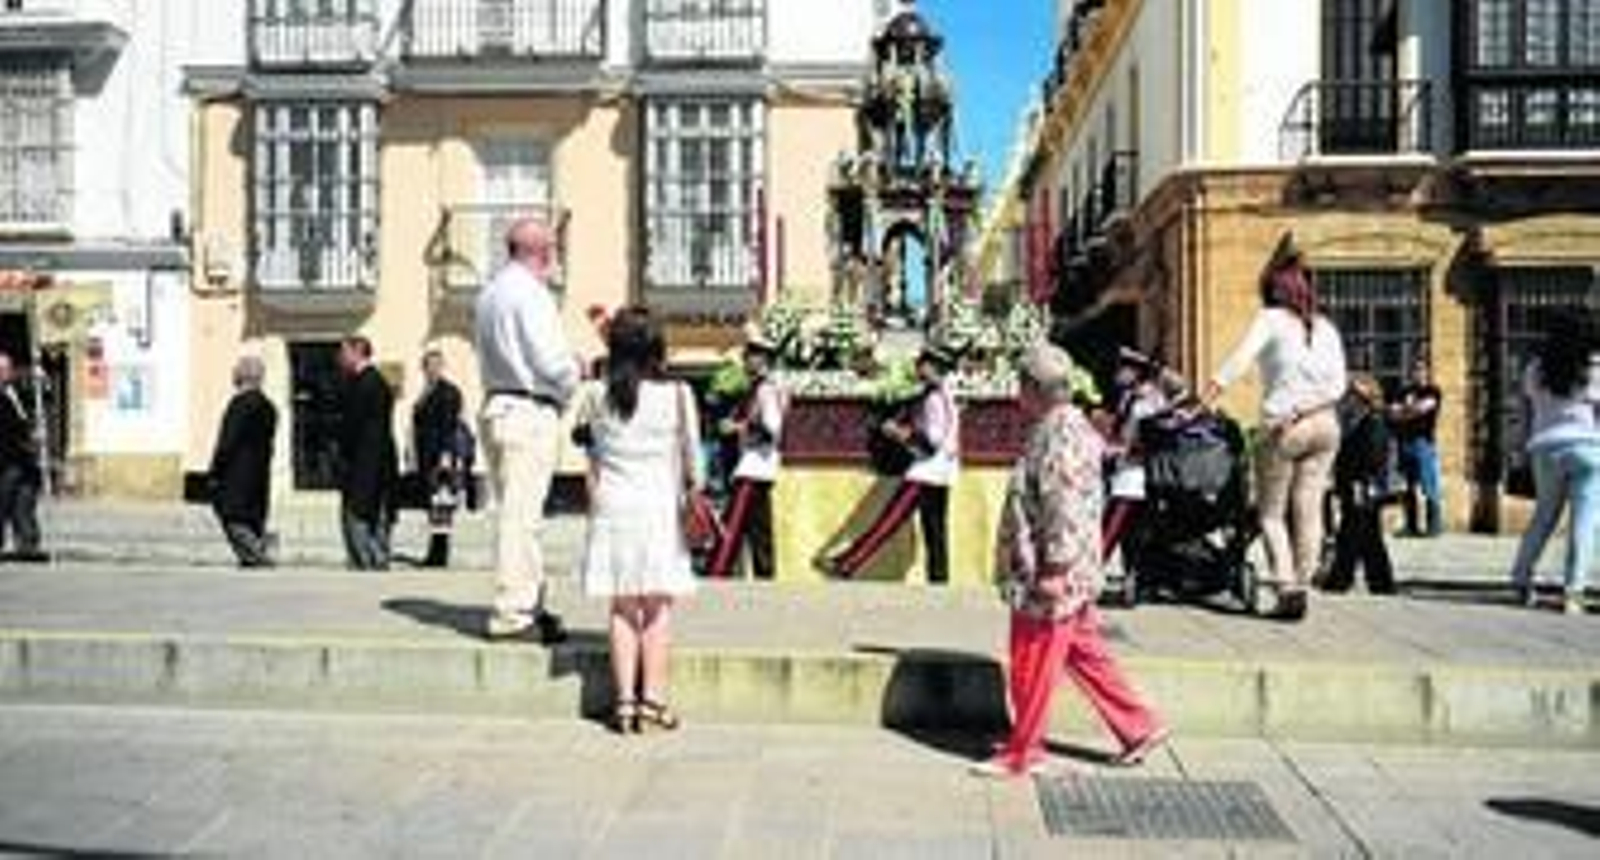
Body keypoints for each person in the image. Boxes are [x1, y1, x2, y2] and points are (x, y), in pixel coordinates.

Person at [975, 341, 1166, 778]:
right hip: (1070, 566)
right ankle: (1139, 725)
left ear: (1035, 388)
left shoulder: (1058, 435)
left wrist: (1054, 568)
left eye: (1021, 384)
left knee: (1033, 656)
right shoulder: (1071, 425)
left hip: (1052, 568)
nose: (1017, 394)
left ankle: (1025, 750)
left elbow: (1062, 504)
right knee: (1083, 653)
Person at [1202, 251, 1347, 621]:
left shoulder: (1270, 320)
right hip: (1327, 425)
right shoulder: (1326, 327)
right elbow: (1340, 385)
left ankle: (1285, 587)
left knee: (1270, 513)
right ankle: (1303, 583)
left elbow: (1241, 357)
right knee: (1309, 508)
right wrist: (1309, 407)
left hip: (1284, 426)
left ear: (1273, 291)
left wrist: (1212, 388)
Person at [574, 307, 698, 733]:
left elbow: (591, 457)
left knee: (622, 606)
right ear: (656, 348)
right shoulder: (678, 395)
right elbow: (692, 461)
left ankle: (624, 702)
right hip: (658, 506)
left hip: (613, 506)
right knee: (658, 607)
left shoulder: (596, 395)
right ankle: (654, 702)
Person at [474, 218, 579, 642]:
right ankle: (514, 613)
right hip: (528, 410)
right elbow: (551, 363)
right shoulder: (533, 295)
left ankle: (530, 603)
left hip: (498, 403)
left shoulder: (490, 293)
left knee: (517, 513)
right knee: (522, 519)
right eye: (553, 251)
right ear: (544, 252)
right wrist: (575, 372)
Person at [826, 343, 960, 585]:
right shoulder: (940, 394)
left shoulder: (935, 398)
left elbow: (931, 442)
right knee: (934, 531)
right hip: (941, 472)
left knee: (889, 521)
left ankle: (848, 563)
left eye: (924, 363)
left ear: (935, 367)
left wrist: (897, 432)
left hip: (926, 472)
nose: (919, 367)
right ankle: (939, 580)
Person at [1508, 311, 1600, 616]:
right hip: (1588, 448)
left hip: (1545, 447)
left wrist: (1520, 447)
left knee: (1544, 517)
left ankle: (1521, 579)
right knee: (1584, 523)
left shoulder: (1535, 368)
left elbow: (1526, 412)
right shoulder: (1593, 366)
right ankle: (1573, 592)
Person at [706, 331, 785, 580]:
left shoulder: (767, 389)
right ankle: (765, 572)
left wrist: (737, 427)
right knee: (758, 524)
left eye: (754, 355)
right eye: (748, 354)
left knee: (735, 519)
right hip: (757, 464)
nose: (748, 360)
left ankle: (718, 568)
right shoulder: (757, 387)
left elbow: (771, 429)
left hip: (755, 464)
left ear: (765, 359)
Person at [1322, 374, 1395, 595]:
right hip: (1356, 485)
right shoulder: (1358, 419)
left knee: (1351, 534)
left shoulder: (1372, 421)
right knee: (1369, 536)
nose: (1348, 398)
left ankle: (1341, 579)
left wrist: (1358, 481)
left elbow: (1373, 457)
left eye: (1353, 394)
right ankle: (1380, 582)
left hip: (1361, 485)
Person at [207, 356, 278, 568]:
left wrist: (215, 470)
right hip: (259, 470)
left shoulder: (239, 403)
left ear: (242, 375)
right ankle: (253, 556)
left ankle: (257, 556)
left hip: (236, 472)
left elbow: (227, 440)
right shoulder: (268, 406)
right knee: (252, 517)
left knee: (232, 516)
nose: (233, 373)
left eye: (236, 370)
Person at [337, 336, 399, 571]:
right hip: (373, 460)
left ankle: (367, 559)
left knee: (358, 513)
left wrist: (344, 454)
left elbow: (356, 426)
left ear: (358, 352)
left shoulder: (367, 382)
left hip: (366, 461)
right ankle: (374, 558)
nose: (340, 357)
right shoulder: (368, 380)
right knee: (373, 510)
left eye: (344, 352)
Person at [411, 348, 466, 568]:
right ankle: (434, 550)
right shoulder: (426, 391)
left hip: (440, 458)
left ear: (442, 367)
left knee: (442, 506)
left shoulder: (449, 392)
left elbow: (449, 426)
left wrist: (445, 456)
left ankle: (439, 554)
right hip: (427, 456)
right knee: (433, 506)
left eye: (436, 365)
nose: (432, 369)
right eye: (428, 365)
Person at [1389, 355, 1444, 537]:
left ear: (1427, 372)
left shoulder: (1433, 390)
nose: (1418, 373)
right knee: (1408, 487)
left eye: (1421, 369)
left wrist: (1407, 409)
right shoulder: (1404, 391)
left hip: (1424, 443)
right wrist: (1409, 409)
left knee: (1429, 485)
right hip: (1405, 442)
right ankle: (1411, 525)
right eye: (1415, 369)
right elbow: (1393, 413)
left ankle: (1433, 527)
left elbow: (1424, 408)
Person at [0, 351, 44, 562]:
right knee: (3, 503)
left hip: (24, 461)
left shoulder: (18, 390)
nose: (8, 371)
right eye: (3, 368)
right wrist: (26, 436)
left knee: (24, 502)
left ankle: (28, 544)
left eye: (9, 368)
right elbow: (9, 429)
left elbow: (45, 397)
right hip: (6, 460)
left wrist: (41, 380)